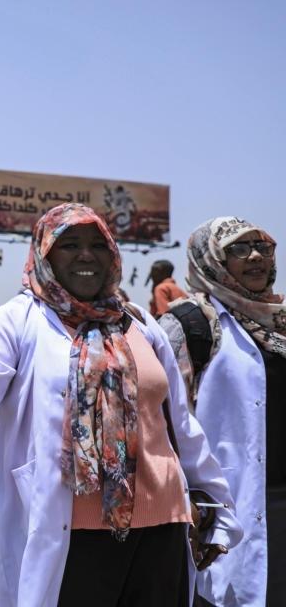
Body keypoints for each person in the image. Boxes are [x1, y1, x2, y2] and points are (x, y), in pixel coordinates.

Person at [0, 203, 242, 606]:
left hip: (163, 529)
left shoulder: (137, 322)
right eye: (69, 245)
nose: (86, 255)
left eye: (98, 244)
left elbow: (178, 425)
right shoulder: (20, 319)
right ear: (44, 254)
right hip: (72, 535)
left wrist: (208, 500)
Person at [158, 217, 285, 606]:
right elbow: (158, 419)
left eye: (263, 247)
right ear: (210, 259)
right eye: (237, 249)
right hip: (220, 507)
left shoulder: (279, 322)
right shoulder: (189, 324)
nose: (255, 257)